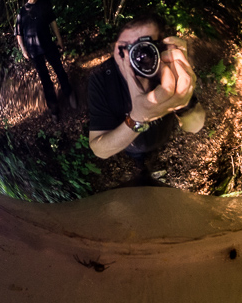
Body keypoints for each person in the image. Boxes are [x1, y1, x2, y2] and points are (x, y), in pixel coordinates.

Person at [87, 12, 206, 181]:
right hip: (131, 146)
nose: (134, 57)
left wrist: (182, 99)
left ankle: (152, 165)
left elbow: (195, 126)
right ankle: (141, 167)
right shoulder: (101, 78)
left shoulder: (167, 71)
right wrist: (138, 118)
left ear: (161, 48)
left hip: (161, 138)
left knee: (156, 153)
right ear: (114, 49)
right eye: (125, 48)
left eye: (145, 49)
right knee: (139, 159)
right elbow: (100, 149)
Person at [14, 0, 74, 116]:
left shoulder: (45, 2)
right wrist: (23, 49)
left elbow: (52, 21)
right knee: (45, 79)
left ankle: (69, 93)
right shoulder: (22, 12)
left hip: (48, 44)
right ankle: (53, 108)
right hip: (34, 51)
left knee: (59, 70)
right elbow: (18, 33)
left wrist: (59, 39)